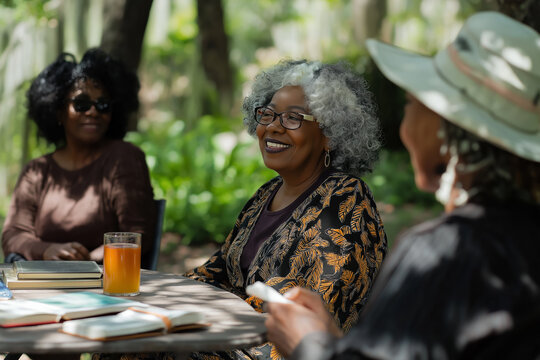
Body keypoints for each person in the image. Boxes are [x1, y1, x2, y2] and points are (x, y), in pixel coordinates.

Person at [265, 11, 540, 360]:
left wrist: (307, 345)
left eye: (412, 103)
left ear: (446, 129)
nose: (404, 124)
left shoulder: (444, 253)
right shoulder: (525, 242)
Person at [1, 48, 155, 263]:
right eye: (81, 104)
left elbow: (137, 236)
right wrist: (47, 250)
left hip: (105, 284)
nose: (93, 112)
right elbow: (13, 234)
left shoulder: (123, 158)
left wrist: (82, 264)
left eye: (103, 105)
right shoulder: (37, 171)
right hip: (42, 284)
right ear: (58, 111)